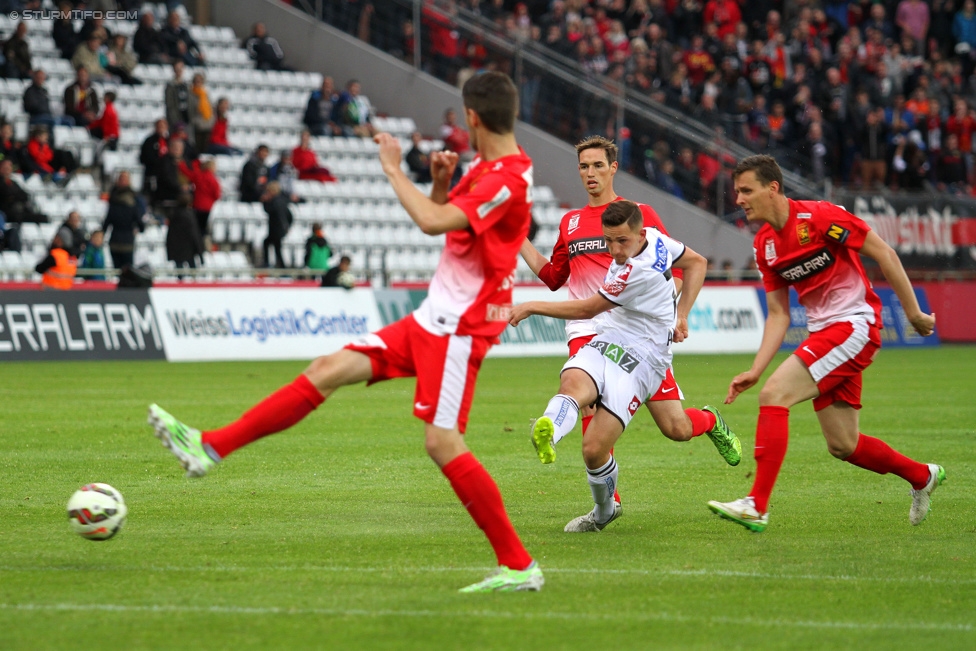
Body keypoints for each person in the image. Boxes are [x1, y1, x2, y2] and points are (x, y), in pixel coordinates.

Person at [147, 72, 544, 593]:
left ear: (471, 117)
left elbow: (429, 222)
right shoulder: (489, 169)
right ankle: (210, 447)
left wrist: (392, 169)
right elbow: (447, 215)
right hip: (431, 319)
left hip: (459, 328)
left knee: (442, 442)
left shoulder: (506, 180)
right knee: (327, 369)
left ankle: (518, 565)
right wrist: (443, 180)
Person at [707, 155, 943, 533]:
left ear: (773, 188)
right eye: (737, 191)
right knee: (843, 444)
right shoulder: (765, 245)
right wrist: (755, 368)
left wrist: (913, 313)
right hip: (825, 334)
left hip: (855, 325)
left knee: (775, 395)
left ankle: (756, 505)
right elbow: (779, 315)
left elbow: (883, 252)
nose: (738, 199)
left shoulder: (820, 218)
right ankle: (922, 476)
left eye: (746, 190)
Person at [518, 136, 741, 498]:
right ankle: (609, 502)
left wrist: (678, 315)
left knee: (675, 427)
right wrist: (519, 240)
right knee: (588, 406)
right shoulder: (570, 222)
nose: (590, 173)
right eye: (584, 167)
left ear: (613, 168)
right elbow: (554, 278)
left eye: (598, 166)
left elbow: (676, 266)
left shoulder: (639, 213)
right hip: (587, 327)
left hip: (639, 335)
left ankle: (711, 420)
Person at [512, 198, 708, 532]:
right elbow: (697, 262)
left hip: (644, 359)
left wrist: (532, 305)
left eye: (622, 241)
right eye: (609, 241)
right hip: (610, 337)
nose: (615, 250)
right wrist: (682, 313)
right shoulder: (659, 241)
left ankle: (604, 512)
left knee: (595, 450)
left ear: (640, 233)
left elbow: (587, 309)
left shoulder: (636, 270)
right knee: (573, 383)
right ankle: (549, 431)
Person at [102, 170, 144, 269]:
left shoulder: (116, 198)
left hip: (124, 240)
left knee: (123, 270)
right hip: (120, 240)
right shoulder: (130, 199)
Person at [179, 156, 221, 239]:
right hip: (208, 208)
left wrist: (181, 164)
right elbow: (217, 195)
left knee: (196, 227)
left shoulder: (199, 176)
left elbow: (187, 173)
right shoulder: (214, 180)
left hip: (197, 206)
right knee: (203, 229)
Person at [166, 193, 204, 270]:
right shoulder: (189, 217)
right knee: (193, 273)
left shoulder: (173, 215)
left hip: (176, 250)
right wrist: (200, 253)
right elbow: (194, 235)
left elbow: (170, 235)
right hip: (189, 251)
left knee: (179, 274)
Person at [260, 181, 292, 268]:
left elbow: (269, 210)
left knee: (270, 244)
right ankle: (281, 265)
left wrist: (264, 202)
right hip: (281, 229)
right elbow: (290, 215)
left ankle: (271, 263)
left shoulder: (274, 201)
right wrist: (288, 225)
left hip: (276, 229)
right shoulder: (282, 201)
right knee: (275, 247)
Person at [188, 73, 215, 154]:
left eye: (200, 81)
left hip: (207, 124)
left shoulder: (205, 94)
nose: (198, 83)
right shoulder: (190, 94)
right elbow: (190, 110)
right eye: (196, 81)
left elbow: (210, 108)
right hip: (196, 125)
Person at [164, 60, 190, 129]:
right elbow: (170, 104)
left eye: (181, 68)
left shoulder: (186, 85)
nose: (179, 70)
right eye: (177, 68)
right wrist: (174, 121)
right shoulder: (170, 86)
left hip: (186, 118)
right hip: (175, 120)